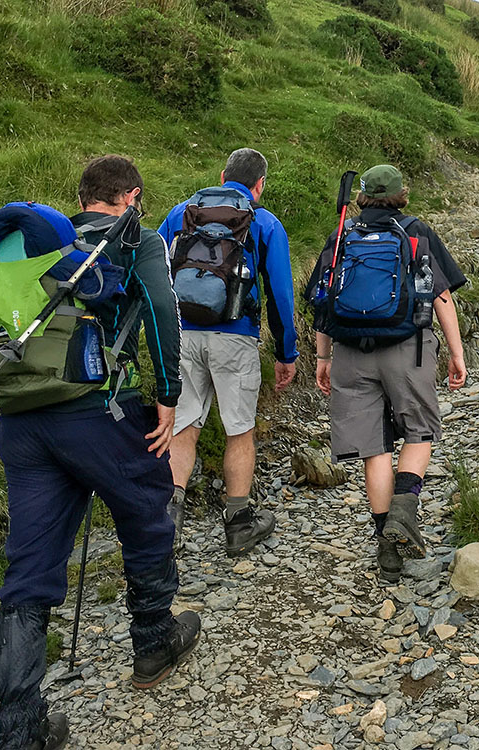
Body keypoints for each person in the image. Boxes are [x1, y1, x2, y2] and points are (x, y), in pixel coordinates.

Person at [0, 156, 200, 750]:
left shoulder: (35, 248)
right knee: (147, 504)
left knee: (28, 568)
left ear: (82, 197)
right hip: (97, 412)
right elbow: (161, 313)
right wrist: (166, 394)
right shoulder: (137, 240)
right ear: (131, 197)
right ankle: (154, 641)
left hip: (20, 421)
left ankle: (21, 727)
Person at [309, 164, 468, 582]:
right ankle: (404, 511)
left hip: (349, 352)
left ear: (361, 196)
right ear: (402, 194)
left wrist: (323, 358)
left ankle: (387, 548)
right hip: (406, 350)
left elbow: (322, 302)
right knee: (420, 433)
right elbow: (442, 296)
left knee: (374, 449)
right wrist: (456, 352)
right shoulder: (416, 231)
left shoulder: (342, 234)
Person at [158, 148, 298, 557]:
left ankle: (168, 523)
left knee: (183, 425)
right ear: (259, 185)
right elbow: (281, 296)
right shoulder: (265, 222)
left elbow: (155, 272)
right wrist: (286, 352)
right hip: (235, 336)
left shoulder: (180, 213)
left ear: (222, 175)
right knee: (239, 429)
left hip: (183, 334)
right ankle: (238, 525)